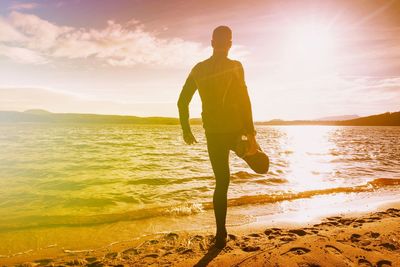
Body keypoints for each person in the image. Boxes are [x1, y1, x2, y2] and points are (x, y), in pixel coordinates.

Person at [177, 25, 258, 249]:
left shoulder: (198, 69)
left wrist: (186, 129)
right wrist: (250, 133)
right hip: (235, 128)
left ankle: (220, 234)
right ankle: (245, 147)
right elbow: (245, 100)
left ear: (212, 43)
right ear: (230, 44)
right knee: (242, 147)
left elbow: (182, 101)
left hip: (213, 133)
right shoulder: (235, 66)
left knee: (221, 183)